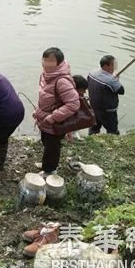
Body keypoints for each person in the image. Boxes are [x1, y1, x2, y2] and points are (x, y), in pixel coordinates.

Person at [34, 48, 80, 177]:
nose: (46, 63)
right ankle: (46, 165)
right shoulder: (44, 75)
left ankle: (50, 171)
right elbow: (44, 97)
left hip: (54, 122)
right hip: (43, 119)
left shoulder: (62, 81)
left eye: (51, 61)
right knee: (46, 142)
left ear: (59, 63)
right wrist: (37, 111)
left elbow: (74, 103)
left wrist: (54, 117)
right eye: (44, 60)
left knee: (52, 147)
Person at [87, 55, 125, 135]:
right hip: (107, 111)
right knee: (112, 131)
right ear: (106, 66)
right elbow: (121, 91)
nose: (115, 67)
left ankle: (91, 139)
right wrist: (116, 79)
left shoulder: (92, 73)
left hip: (94, 106)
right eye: (113, 65)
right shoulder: (111, 80)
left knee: (94, 127)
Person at [65, 75, 88, 142]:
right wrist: (69, 136)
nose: (84, 92)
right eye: (83, 90)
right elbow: (67, 117)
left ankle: (73, 133)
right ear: (75, 89)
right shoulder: (69, 100)